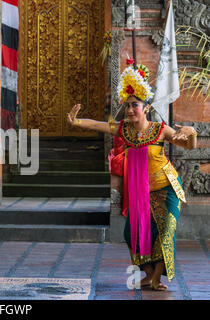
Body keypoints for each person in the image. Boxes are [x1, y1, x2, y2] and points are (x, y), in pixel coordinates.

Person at [66, 62, 197, 291]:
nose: (129, 110)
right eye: (127, 106)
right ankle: (147, 274)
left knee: (166, 230)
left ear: (145, 108)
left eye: (134, 105)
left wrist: (193, 133)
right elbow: (99, 125)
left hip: (166, 188)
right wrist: (75, 121)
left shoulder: (160, 130)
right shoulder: (124, 130)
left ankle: (157, 277)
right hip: (140, 190)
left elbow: (189, 146)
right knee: (133, 233)